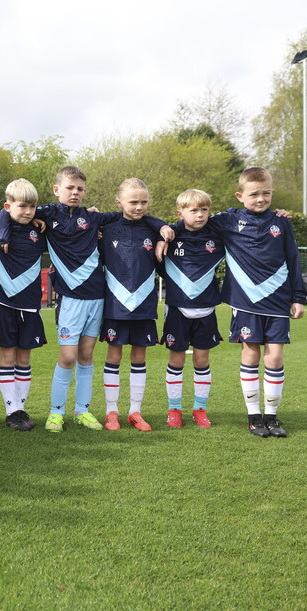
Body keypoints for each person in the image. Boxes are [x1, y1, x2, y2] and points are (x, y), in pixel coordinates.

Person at [0, 167, 172, 433]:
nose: (75, 193)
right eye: (70, 188)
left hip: (97, 297)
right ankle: (56, 413)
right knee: (67, 357)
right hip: (70, 299)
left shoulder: (96, 218)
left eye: (79, 188)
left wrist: (163, 228)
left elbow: (137, 217)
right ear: (57, 190)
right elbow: (9, 210)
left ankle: (83, 411)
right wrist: (1, 232)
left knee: (87, 356)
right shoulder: (46, 214)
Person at [201, 168, 306, 437]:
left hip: (279, 300)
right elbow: (194, 220)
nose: (260, 199)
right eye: (254, 194)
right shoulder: (227, 220)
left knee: (276, 356)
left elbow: (293, 260)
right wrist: (165, 229)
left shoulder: (281, 222)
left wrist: (298, 297)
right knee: (251, 353)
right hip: (245, 301)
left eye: (266, 193)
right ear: (240, 196)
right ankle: (253, 416)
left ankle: (272, 416)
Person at [98, 178, 165, 431]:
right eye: (133, 202)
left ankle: (135, 412)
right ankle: (111, 412)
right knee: (114, 356)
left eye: (144, 202)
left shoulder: (153, 228)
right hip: (115, 305)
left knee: (139, 357)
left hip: (144, 305)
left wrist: (162, 233)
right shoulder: (107, 227)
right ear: (119, 203)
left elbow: (174, 228)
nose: (139, 207)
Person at [155, 189, 224, 429]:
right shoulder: (170, 235)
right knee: (176, 361)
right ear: (180, 212)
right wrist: (161, 237)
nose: (200, 214)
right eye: (193, 210)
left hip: (206, 309)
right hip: (177, 309)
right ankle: (174, 410)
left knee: (202, 360)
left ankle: (200, 409)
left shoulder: (218, 235)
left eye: (204, 209)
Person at [0, 179, 48, 431]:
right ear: (8, 206)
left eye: (32, 207)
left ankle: (20, 408)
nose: (28, 211)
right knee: (8, 356)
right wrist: (2, 223)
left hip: (30, 305)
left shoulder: (40, 231)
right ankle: (11, 410)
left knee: (24, 358)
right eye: (22, 206)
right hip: (3, 303)